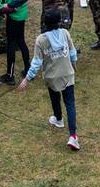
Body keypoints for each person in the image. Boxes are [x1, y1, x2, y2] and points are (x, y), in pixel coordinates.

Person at [18, 8, 80, 151]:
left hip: (51, 77)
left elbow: (36, 62)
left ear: (44, 23)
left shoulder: (41, 39)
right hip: (67, 74)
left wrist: (27, 79)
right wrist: (74, 64)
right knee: (70, 103)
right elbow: (72, 52)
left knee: (54, 96)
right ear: (59, 22)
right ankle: (73, 136)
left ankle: (58, 119)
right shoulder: (65, 34)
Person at [0, 0, 31, 86]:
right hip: (14, 13)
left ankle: (10, 75)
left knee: (12, 43)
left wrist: (11, 5)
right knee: (20, 41)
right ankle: (28, 69)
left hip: (16, 15)